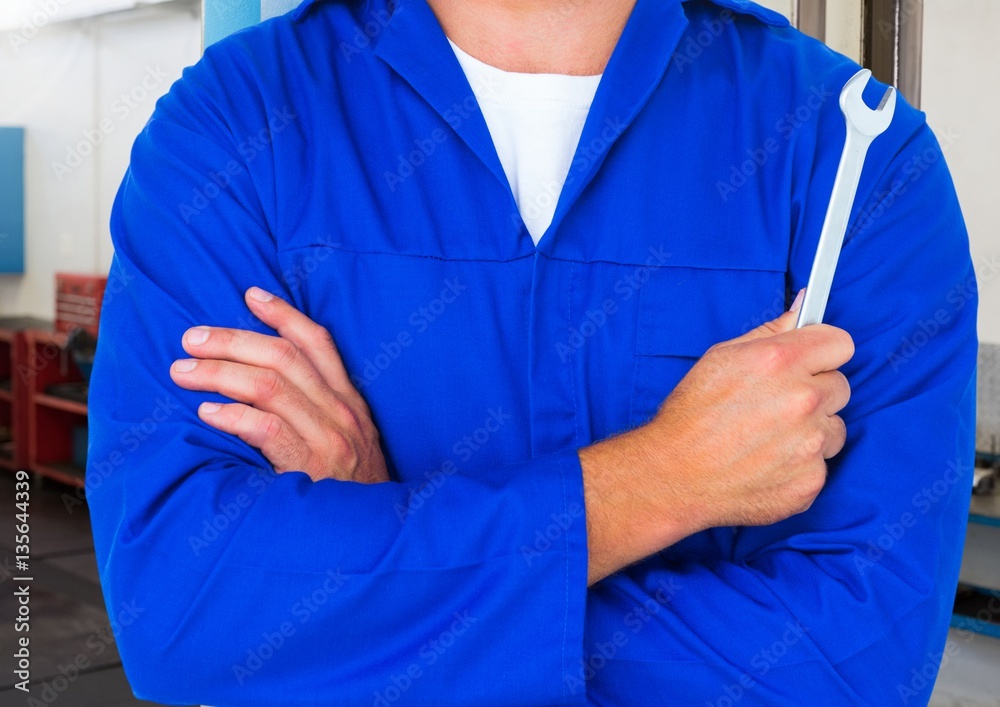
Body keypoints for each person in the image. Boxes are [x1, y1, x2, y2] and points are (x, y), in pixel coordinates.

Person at [87, 0, 977, 704]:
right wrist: (658, 480)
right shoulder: (238, 126)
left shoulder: (850, 156)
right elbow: (181, 604)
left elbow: (853, 665)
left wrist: (378, 558)